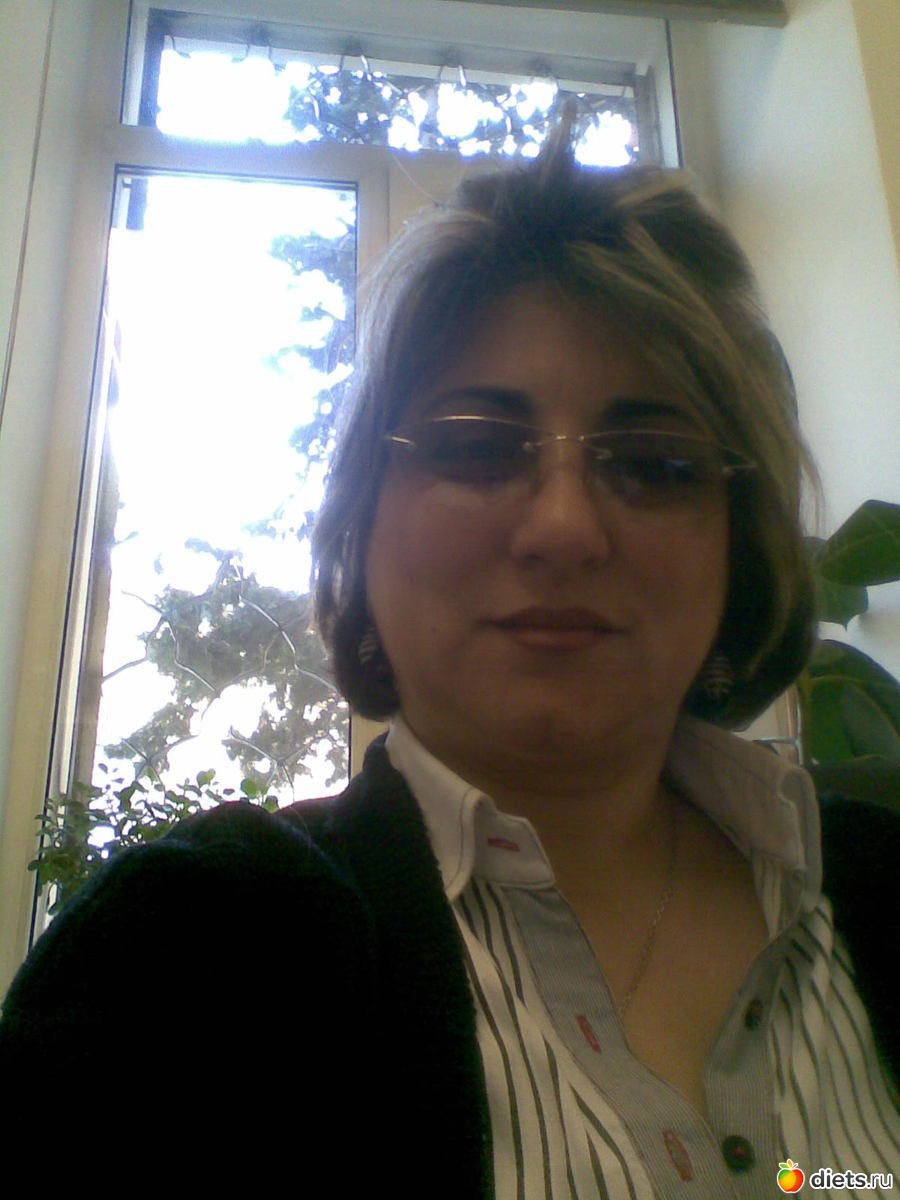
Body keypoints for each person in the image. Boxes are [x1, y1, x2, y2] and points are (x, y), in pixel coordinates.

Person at [2, 127, 897, 1196]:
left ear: (737, 543)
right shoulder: (182, 959)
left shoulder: (885, 885)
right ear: (360, 524)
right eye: (476, 447)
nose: (565, 528)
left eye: (656, 464)